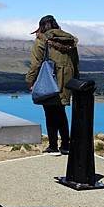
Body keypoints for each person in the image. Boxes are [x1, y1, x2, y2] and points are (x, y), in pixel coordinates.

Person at [26, 15, 79, 155]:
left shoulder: (41, 40)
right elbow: (76, 63)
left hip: (49, 80)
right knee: (61, 112)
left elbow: (36, 63)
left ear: (41, 26)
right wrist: (75, 82)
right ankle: (66, 145)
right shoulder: (69, 40)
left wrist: (30, 80)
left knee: (49, 113)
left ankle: (53, 145)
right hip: (67, 80)